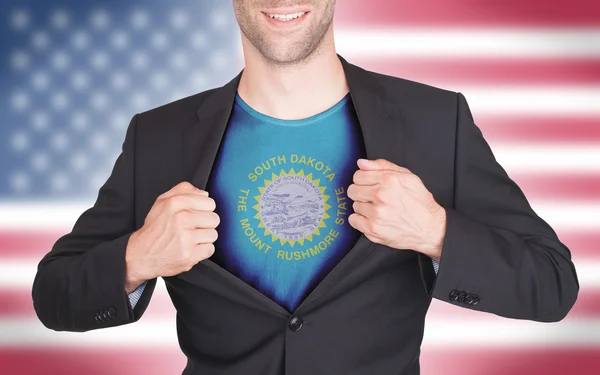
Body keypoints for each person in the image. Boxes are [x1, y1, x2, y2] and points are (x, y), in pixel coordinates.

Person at [31, 1, 579, 374]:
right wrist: (137, 257)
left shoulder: (436, 120)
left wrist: (436, 232)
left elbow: (552, 284)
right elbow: (53, 294)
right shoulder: (158, 136)